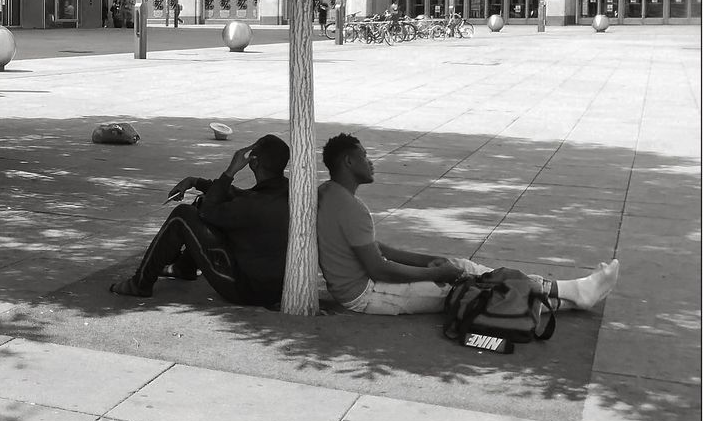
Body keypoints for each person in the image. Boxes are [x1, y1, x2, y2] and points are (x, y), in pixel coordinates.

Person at [316, 133, 620, 316]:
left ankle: (566, 290)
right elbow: (379, 269)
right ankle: (571, 296)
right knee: (474, 294)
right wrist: (436, 273)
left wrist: (436, 263)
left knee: (464, 268)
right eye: (364, 155)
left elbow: (378, 250)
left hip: (368, 283)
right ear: (347, 162)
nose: (371, 161)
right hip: (367, 294)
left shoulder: (330, 193)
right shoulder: (349, 208)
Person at [110, 135, 292, 308]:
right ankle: (184, 267)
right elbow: (241, 196)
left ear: (253, 161)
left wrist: (230, 171)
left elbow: (208, 212)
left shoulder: (253, 205)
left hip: (247, 289)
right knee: (205, 201)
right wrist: (196, 182)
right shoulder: (283, 189)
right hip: (271, 285)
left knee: (183, 215)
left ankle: (140, 282)